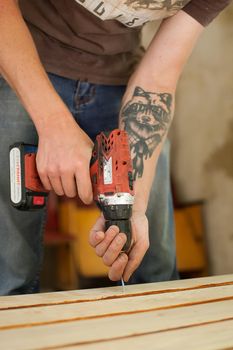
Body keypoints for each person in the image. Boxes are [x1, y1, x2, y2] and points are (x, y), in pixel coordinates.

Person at [0, 0, 230, 295]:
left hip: (120, 76)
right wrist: (53, 124)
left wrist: (134, 208)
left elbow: (158, 79)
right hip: (21, 58)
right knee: (10, 271)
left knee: (152, 265)